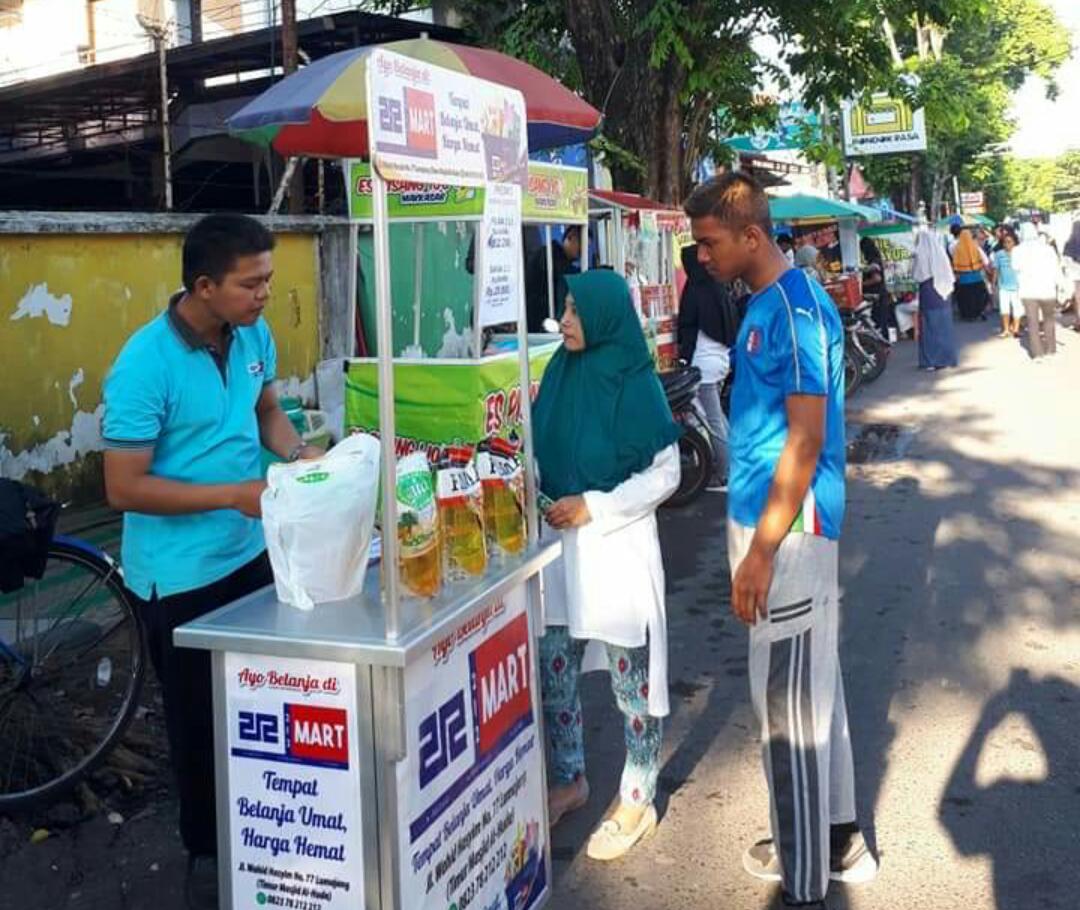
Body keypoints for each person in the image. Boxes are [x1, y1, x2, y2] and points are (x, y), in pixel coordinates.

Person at [102, 214, 323, 909]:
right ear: (204, 286)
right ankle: (207, 857)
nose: (265, 294)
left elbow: (265, 410)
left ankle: (272, 838)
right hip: (179, 579)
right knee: (199, 728)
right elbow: (123, 486)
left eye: (268, 279)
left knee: (263, 710)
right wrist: (232, 493)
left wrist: (298, 457)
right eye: (250, 283)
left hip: (251, 553)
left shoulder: (252, 334)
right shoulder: (144, 364)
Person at [685, 173, 876, 909]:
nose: (701, 255)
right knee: (810, 688)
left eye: (709, 242)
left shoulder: (796, 309)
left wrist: (761, 552)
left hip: (788, 532)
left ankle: (803, 877)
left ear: (751, 236)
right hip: (773, 525)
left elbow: (804, 439)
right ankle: (836, 837)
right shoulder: (765, 304)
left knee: (788, 707)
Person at [533, 270, 681, 862]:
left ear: (604, 317)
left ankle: (638, 795)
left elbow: (665, 474)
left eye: (574, 310)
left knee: (631, 682)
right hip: (560, 554)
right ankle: (571, 779)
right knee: (554, 671)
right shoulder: (559, 371)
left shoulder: (635, 380)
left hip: (614, 551)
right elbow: (542, 447)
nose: (565, 320)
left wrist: (593, 506)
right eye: (565, 308)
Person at [678, 243, 743, 490]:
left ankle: (725, 474)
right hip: (721, 361)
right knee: (716, 417)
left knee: (712, 419)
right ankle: (735, 464)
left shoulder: (695, 289)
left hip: (703, 365)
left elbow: (688, 327)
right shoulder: (717, 288)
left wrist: (683, 358)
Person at [1012, 222, 1061, 359]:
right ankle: (1051, 350)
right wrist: (1060, 285)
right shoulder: (1048, 249)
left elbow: (1015, 268)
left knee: (1032, 322)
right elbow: (1056, 268)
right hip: (1047, 289)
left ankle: (1037, 354)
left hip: (1028, 290)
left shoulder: (1017, 250)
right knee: (1049, 320)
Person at [913, 229, 960, 370]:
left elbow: (917, 274)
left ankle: (931, 361)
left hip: (928, 292)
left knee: (929, 328)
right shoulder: (940, 253)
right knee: (944, 328)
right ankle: (946, 359)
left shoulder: (920, 253)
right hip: (942, 294)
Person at [525, 224, 582, 333]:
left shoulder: (554, 256)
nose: (582, 252)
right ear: (570, 238)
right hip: (540, 320)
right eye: (581, 246)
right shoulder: (549, 256)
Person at [951, 226, 991, 320]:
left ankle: (968, 315)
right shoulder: (975, 247)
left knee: (966, 298)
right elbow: (984, 260)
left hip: (963, 278)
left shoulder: (957, 248)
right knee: (978, 297)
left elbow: (955, 263)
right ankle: (978, 312)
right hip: (977, 277)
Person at [860, 236, 895, 336]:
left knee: (878, 322)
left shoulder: (873, 261)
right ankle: (885, 347)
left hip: (877, 295)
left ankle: (882, 347)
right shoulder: (877, 258)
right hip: (882, 294)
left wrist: (862, 284)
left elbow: (877, 278)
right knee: (882, 322)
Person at [990, 227, 1022, 338]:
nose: (1007, 244)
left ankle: (1016, 329)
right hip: (1003, 286)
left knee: (1017, 308)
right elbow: (996, 269)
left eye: (1010, 242)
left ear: (1015, 242)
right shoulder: (999, 254)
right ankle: (1006, 330)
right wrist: (993, 284)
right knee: (1004, 309)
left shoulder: (1019, 253)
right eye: (1005, 242)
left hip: (1017, 286)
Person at [1063, 220, 1080, 332]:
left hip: (1076, 273)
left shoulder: (1070, 245)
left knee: (1079, 296)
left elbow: (1066, 260)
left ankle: (1079, 320)